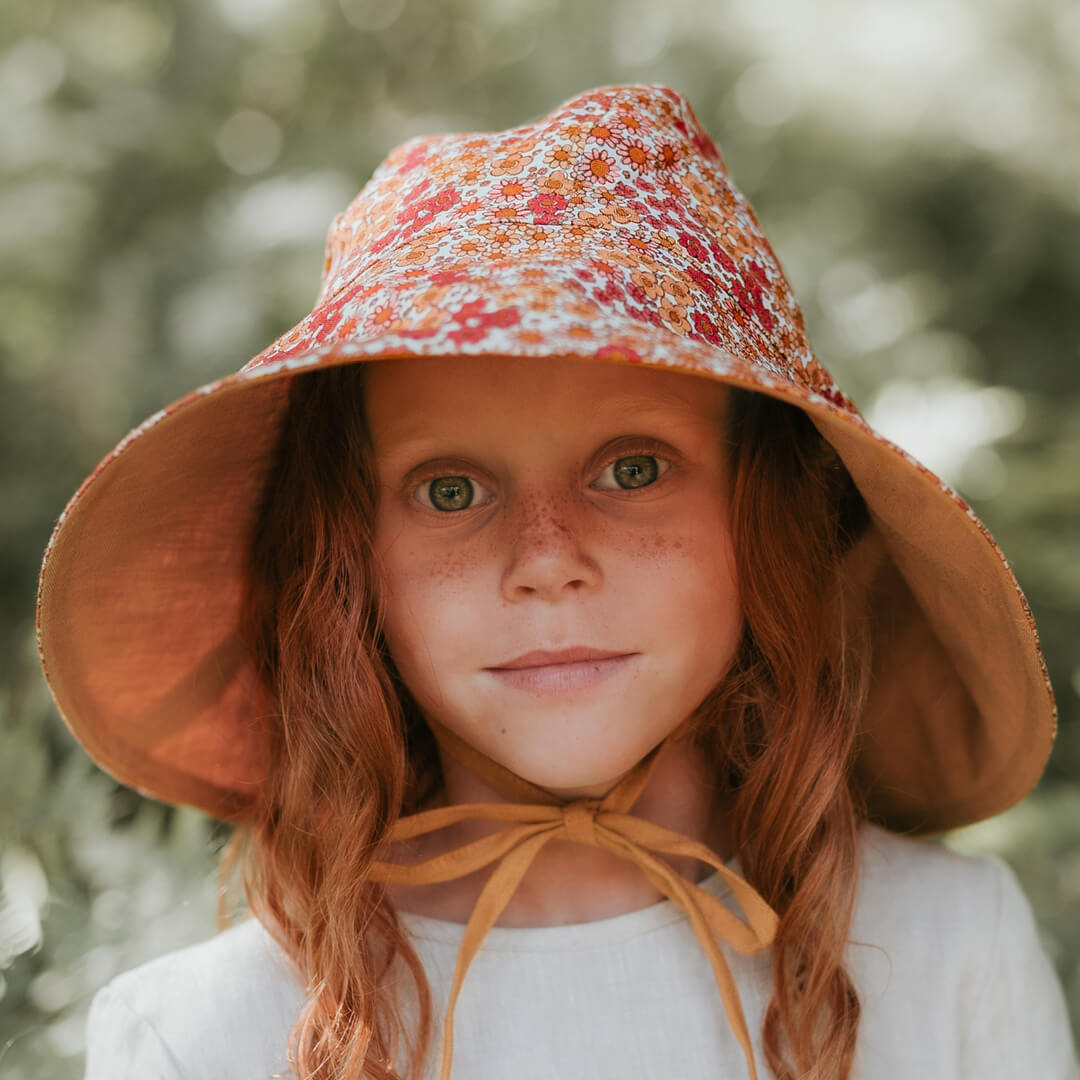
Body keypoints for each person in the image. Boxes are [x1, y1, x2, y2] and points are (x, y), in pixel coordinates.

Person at [36, 82, 1078, 1080]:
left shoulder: (946, 950)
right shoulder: (204, 1036)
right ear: (351, 566)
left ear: (766, 523)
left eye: (632, 469)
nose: (544, 561)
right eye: (449, 492)